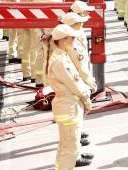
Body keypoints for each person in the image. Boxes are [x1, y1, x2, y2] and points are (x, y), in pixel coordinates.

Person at [47, 24, 94, 169]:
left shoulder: (60, 56)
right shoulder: (61, 61)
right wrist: (87, 101)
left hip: (66, 106)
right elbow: (75, 84)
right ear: (62, 41)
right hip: (69, 107)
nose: (74, 40)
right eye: (71, 38)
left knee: (65, 145)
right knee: (70, 149)